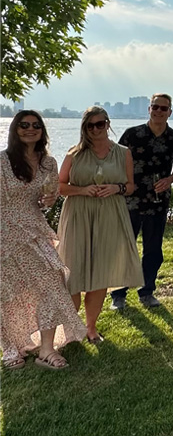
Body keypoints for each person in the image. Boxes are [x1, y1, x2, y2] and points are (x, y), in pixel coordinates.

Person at [1, 110, 86, 370]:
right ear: (15, 129)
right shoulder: (3, 161)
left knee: (53, 279)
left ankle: (46, 349)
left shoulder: (48, 162)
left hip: (36, 229)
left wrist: (49, 201)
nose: (30, 129)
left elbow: (47, 198)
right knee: (8, 291)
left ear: (42, 130)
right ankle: (11, 347)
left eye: (36, 125)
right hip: (5, 230)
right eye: (24, 125)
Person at [57, 106, 143, 344]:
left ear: (108, 123)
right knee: (72, 272)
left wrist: (116, 188)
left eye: (100, 123)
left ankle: (91, 328)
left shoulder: (123, 152)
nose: (96, 129)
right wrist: (82, 190)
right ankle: (70, 328)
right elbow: (59, 186)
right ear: (84, 128)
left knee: (100, 274)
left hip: (110, 215)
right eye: (90, 125)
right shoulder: (74, 154)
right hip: (78, 214)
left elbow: (131, 186)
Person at [110, 93, 173, 309]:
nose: (159, 111)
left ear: (170, 112)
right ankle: (118, 294)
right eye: (155, 107)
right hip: (129, 200)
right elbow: (115, 162)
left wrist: (170, 179)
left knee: (153, 249)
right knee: (124, 247)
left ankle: (147, 291)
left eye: (163, 108)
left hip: (158, 201)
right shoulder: (132, 134)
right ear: (149, 109)